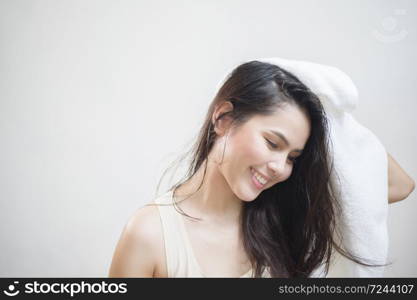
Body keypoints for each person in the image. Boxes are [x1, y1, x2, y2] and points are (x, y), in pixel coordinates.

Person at [108, 61, 415, 278]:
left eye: (293, 157)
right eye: (272, 143)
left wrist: (332, 113)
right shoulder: (149, 233)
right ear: (224, 118)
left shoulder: (286, 217)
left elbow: (401, 185)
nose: (281, 168)